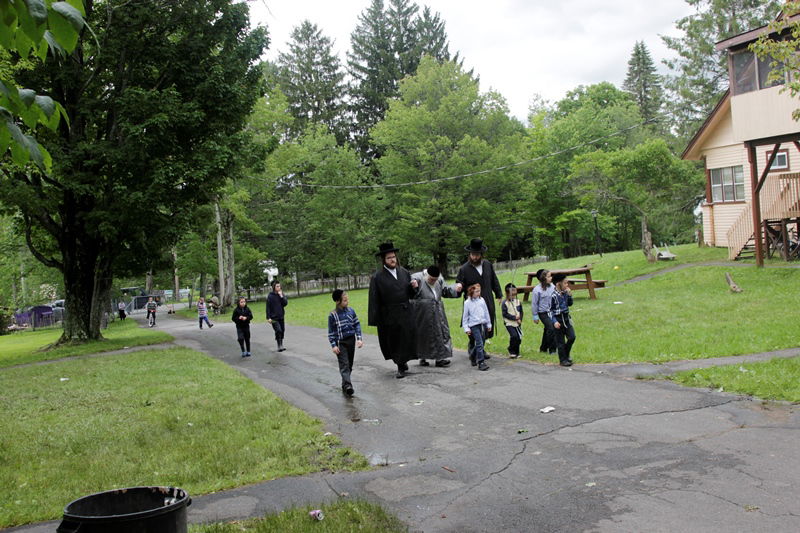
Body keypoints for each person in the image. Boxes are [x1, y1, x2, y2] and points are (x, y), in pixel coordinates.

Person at [368, 242, 417, 378]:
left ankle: (403, 361)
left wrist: (414, 287)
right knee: (395, 341)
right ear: (384, 260)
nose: (393, 260)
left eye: (394, 257)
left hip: (406, 311)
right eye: (389, 258)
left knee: (406, 339)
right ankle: (400, 365)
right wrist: (376, 318)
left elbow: (412, 295)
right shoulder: (377, 277)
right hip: (389, 314)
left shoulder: (404, 272)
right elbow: (374, 299)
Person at [456, 238, 502, 362]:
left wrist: (499, 294)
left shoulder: (487, 265)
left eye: (477, 254)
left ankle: (481, 349)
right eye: (473, 254)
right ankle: (473, 351)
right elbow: (459, 282)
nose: (475, 257)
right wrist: (459, 286)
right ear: (469, 254)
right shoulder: (464, 269)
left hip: (487, 299)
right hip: (472, 303)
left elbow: (494, 280)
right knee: (474, 327)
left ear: (481, 254)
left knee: (485, 326)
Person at [411, 265, 462, 367]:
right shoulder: (417, 278)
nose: (433, 281)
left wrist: (456, 289)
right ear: (426, 275)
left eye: (435, 279)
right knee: (423, 335)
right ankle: (422, 357)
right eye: (431, 279)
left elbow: (445, 291)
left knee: (441, 333)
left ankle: (440, 358)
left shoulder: (439, 280)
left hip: (437, 311)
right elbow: (410, 293)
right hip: (422, 313)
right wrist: (414, 287)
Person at [328, 289, 363, 396]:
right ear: (338, 301)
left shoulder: (351, 311)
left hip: (351, 341)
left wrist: (359, 338)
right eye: (344, 300)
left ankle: (344, 384)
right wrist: (333, 345)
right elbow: (331, 332)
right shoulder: (333, 315)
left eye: (347, 300)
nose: (347, 301)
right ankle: (348, 386)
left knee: (350, 365)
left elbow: (357, 324)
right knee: (345, 365)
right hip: (340, 342)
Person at [462, 283, 491, 371]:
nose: (479, 293)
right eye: (476, 292)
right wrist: (466, 328)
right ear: (471, 293)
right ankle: (481, 362)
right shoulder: (467, 303)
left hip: (482, 324)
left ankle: (472, 356)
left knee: (481, 342)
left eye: (479, 291)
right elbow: (465, 317)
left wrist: (489, 324)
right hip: (474, 326)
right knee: (479, 343)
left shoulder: (482, 300)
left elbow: (486, 312)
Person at [549, 273, 576, 366]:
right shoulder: (553, 296)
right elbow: (550, 311)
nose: (567, 285)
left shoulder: (565, 293)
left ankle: (566, 354)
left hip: (566, 318)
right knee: (560, 342)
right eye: (565, 283)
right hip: (558, 319)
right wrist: (555, 321)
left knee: (572, 337)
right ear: (558, 284)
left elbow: (570, 304)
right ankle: (563, 360)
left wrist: (569, 295)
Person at [531, 269, 556, 355]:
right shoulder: (537, 290)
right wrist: (535, 316)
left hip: (552, 312)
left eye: (551, 276)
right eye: (549, 276)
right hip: (543, 313)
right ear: (543, 278)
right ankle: (552, 349)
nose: (551, 278)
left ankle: (543, 348)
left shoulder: (552, 286)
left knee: (547, 330)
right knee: (551, 329)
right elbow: (534, 304)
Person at [501, 283, 523, 358]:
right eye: (511, 295)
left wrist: (520, 319)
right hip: (509, 323)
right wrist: (514, 318)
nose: (512, 296)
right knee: (514, 336)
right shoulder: (505, 303)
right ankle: (511, 350)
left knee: (519, 338)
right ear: (507, 294)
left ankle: (517, 351)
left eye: (514, 295)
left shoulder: (518, 301)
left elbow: (521, 312)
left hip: (517, 323)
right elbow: (505, 314)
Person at [267, 280, 288, 352]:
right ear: (274, 287)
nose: (279, 287)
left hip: (281, 316)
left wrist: (281, 296)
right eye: (277, 286)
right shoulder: (270, 296)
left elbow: (285, 304)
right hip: (273, 318)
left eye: (279, 286)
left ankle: (281, 344)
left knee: (282, 330)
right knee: (278, 330)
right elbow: (268, 307)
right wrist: (268, 317)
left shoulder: (281, 294)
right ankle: (279, 345)